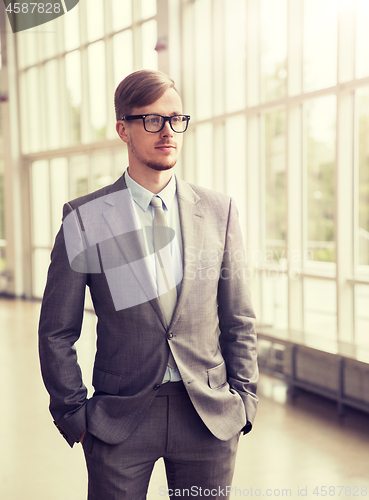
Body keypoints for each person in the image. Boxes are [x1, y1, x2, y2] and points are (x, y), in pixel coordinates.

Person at [38, 69, 258, 500]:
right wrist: (73, 414)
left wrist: (244, 401)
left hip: (208, 417)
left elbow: (238, 317)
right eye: (152, 120)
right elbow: (57, 330)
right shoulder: (85, 218)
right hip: (118, 419)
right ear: (123, 129)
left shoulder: (219, 212)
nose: (168, 131)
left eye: (176, 119)